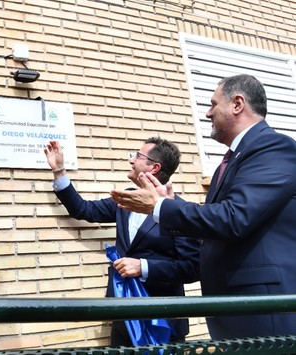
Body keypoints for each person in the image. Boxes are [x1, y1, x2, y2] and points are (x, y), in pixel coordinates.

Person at [110, 74, 296, 340]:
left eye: (213, 104)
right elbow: (217, 225)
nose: (208, 113)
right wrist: (170, 206)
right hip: (235, 309)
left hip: (262, 312)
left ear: (237, 104)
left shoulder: (272, 147)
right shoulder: (235, 157)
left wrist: (161, 207)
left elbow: (234, 218)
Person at [43, 138, 200, 346]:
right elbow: (83, 209)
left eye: (138, 156)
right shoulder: (126, 200)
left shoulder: (179, 211)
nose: (131, 161)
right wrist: (59, 171)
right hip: (124, 317)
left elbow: (191, 268)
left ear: (154, 167)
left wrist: (142, 267)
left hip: (162, 323)